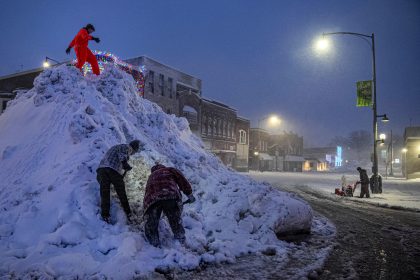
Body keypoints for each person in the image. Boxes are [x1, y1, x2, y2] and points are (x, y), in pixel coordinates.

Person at [143, 164, 196, 247]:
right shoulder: (169, 170)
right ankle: (181, 240)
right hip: (170, 196)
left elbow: (147, 193)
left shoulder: (151, 177)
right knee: (174, 219)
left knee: (151, 224)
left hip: (152, 200)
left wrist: (147, 210)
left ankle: (153, 244)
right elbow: (182, 180)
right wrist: (190, 195)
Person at [96, 140, 142, 223]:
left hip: (102, 170)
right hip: (112, 170)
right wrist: (125, 164)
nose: (132, 154)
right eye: (134, 152)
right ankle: (128, 213)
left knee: (105, 192)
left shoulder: (115, 147)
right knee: (121, 193)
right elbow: (122, 155)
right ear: (134, 148)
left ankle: (105, 215)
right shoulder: (127, 147)